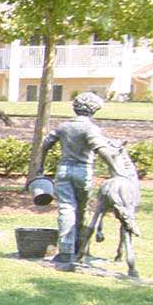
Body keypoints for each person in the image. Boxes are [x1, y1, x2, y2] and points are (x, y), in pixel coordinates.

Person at [41, 92, 108, 268]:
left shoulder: (64, 126)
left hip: (63, 171)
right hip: (83, 171)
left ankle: (65, 250)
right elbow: (101, 149)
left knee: (66, 209)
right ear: (93, 110)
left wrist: (39, 168)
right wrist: (115, 170)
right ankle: (80, 248)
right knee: (82, 210)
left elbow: (45, 144)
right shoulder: (90, 128)